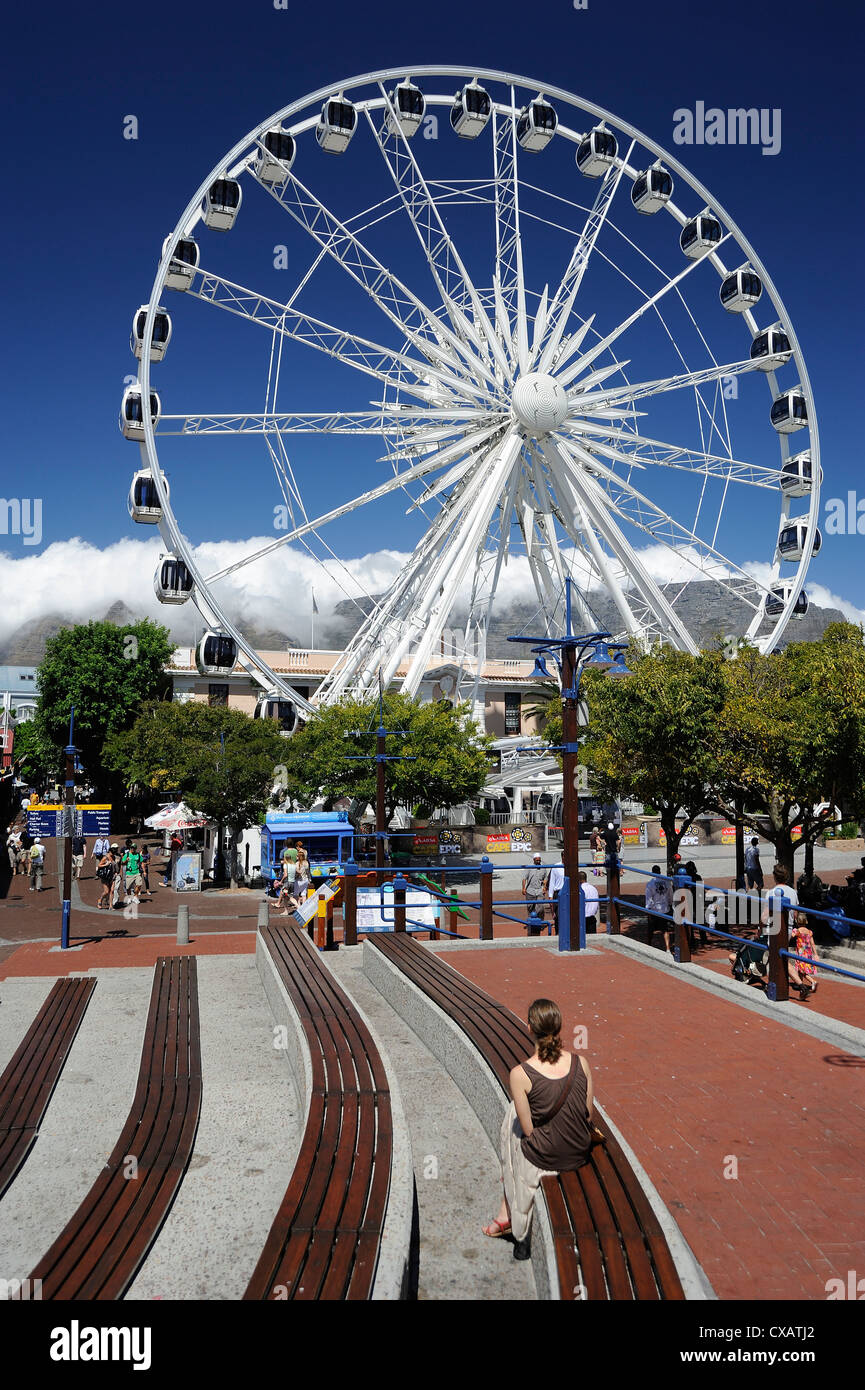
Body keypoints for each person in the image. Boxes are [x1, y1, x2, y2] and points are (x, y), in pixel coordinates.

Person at [483, 999, 596, 1259]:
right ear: (559, 1027)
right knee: (514, 1122)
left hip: (548, 1155)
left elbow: (529, 1130)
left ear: (529, 1027)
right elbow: (587, 1114)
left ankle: (512, 1222)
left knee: (513, 1133)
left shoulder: (520, 1073)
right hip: (579, 1150)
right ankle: (506, 1213)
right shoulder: (582, 1063)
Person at [788, 914, 820, 999]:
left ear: (797, 921)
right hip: (808, 954)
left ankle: (813, 981)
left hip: (801, 954)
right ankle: (800, 985)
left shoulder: (797, 931)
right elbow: (812, 943)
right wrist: (815, 954)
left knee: (801, 970)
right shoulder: (809, 932)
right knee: (801, 970)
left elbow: (790, 937)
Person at [645, 865, 673, 952]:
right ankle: (667, 948)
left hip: (654, 909)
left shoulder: (650, 884)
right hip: (664, 908)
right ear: (660, 871)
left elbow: (648, 898)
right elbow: (670, 894)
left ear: (652, 872)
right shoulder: (667, 882)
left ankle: (649, 945)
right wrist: (670, 903)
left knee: (651, 929)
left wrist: (648, 908)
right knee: (665, 929)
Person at [522, 854, 547, 935]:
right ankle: (531, 924)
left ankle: (540, 923)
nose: (538, 861)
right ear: (534, 860)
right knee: (530, 907)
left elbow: (545, 878)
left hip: (539, 890)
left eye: (539, 860)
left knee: (540, 908)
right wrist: (523, 888)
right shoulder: (529, 867)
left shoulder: (543, 867)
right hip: (530, 890)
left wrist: (544, 887)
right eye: (537, 860)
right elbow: (524, 878)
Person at [546, 858, 565, 933]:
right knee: (558, 915)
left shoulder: (572, 865)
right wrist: (550, 895)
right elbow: (552, 882)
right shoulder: (556, 867)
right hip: (558, 892)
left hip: (569, 892)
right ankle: (558, 933)